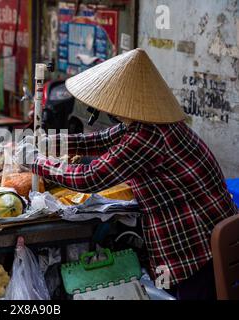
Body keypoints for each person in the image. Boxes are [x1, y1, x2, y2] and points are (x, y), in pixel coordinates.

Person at [17, 49, 238, 300]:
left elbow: (89, 177)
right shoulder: (147, 123)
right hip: (202, 235)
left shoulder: (148, 136)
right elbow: (102, 139)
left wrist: (37, 162)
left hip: (195, 245)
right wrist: (54, 143)